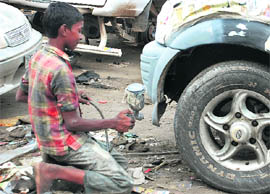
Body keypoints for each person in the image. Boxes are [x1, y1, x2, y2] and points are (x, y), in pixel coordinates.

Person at [16, 2, 135, 194]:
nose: (80, 37)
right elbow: (73, 123)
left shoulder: (38, 57)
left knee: (119, 161)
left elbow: (22, 95)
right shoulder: (60, 68)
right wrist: (112, 122)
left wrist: (67, 97)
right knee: (122, 183)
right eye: (78, 31)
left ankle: (61, 182)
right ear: (64, 30)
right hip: (65, 142)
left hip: (47, 140)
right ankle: (53, 171)